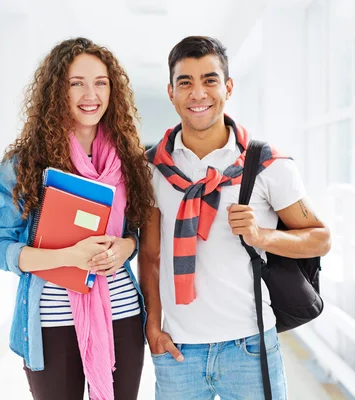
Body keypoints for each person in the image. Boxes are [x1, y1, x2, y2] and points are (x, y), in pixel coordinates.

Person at [138, 36, 331, 400]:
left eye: (210, 80)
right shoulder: (152, 169)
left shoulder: (266, 164)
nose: (198, 94)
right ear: (171, 92)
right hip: (179, 351)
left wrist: (263, 237)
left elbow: (320, 237)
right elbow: (150, 256)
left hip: (251, 347)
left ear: (228, 87)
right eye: (186, 82)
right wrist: (152, 327)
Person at [0, 37, 154, 400]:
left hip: (121, 316)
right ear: (56, 90)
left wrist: (125, 247)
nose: (89, 94)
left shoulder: (128, 159)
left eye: (100, 83)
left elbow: (133, 232)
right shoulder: (25, 163)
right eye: (76, 83)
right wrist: (68, 257)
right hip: (52, 323)